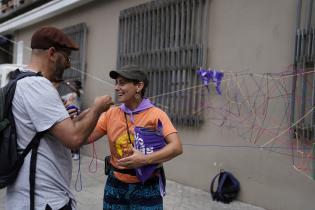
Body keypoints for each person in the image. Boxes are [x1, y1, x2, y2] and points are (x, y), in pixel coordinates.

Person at [5, 26, 113, 210]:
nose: (69, 64)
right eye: (67, 57)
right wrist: (97, 108)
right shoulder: (38, 86)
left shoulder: (20, 81)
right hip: (42, 201)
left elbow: (48, 132)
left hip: (32, 197)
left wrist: (82, 115)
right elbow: (74, 139)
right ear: (53, 53)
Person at [88, 64, 183, 210]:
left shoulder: (156, 114)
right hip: (115, 184)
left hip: (147, 185)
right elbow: (87, 137)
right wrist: (87, 114)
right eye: (116, 83)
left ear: (138, 86)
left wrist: (145, 159)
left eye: (122, 83)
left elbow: (176, 147)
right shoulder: (111, 114)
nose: (116, 88)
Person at [62, 80, 83, 160]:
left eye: (74, 84)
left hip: (76, 115)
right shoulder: (69, 95)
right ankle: (72, 152)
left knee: (75, 134)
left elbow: (76, 91)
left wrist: (68, 84)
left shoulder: (79, 92)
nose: (72, 86)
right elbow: (61, 98)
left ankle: (77, 153)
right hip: (69, 115)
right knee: (69, 134)